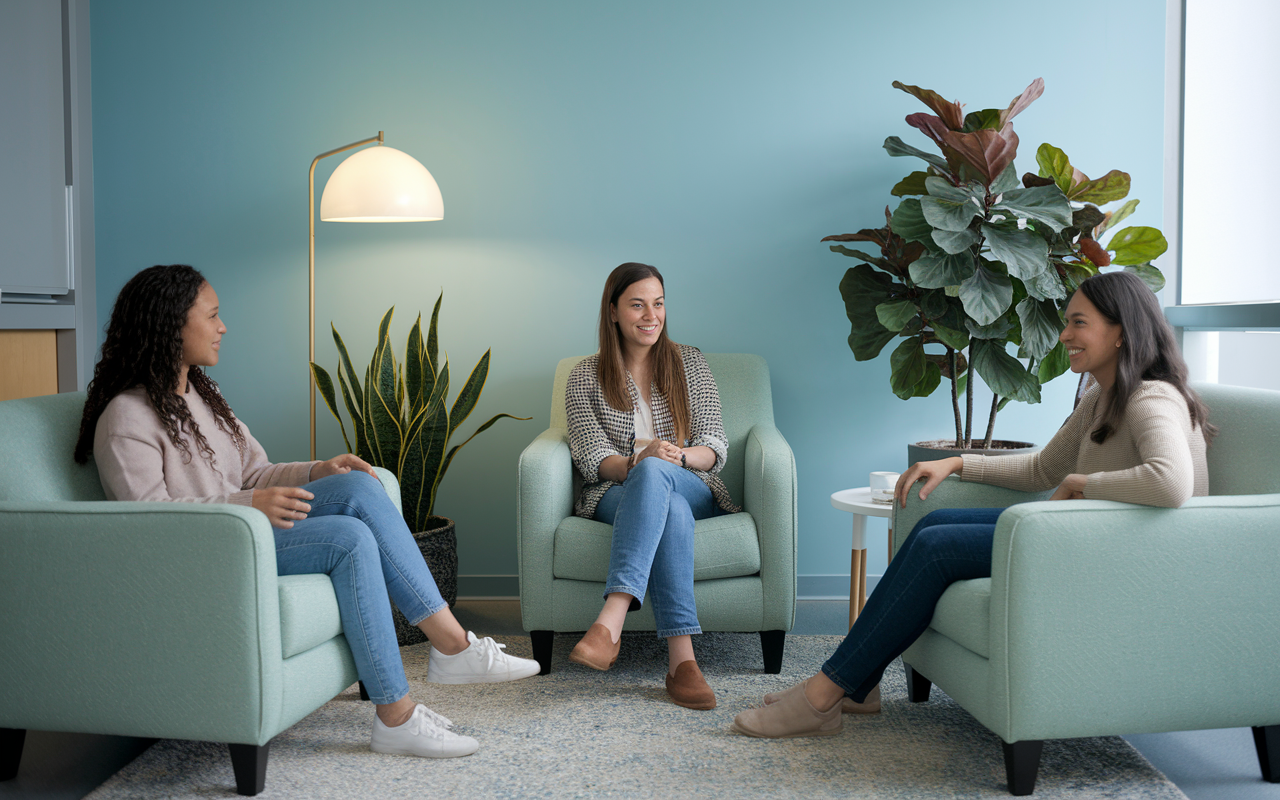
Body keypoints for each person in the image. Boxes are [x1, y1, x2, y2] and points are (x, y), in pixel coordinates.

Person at [74, 264, 541, 760]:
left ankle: (439, 663)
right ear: (168, 325)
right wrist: (247, 504)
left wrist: (318, 469)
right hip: (206, 550)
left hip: (245, 532)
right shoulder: (126, 416)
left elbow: (255, 472)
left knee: (358, 487)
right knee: (347, 538)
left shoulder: (200, 397)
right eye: (212, 316)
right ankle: (423, 686)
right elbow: (146, 519)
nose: (223, 327)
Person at [732, 270, 1214, 738]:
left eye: (1078, 322)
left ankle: (823, 697)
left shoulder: (1152, 398)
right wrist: (958, 462)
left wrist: (1083, 482)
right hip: (1085, 535)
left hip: (1120, 553)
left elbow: (1172, 484)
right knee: (933, 525)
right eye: (1067, 321)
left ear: (1122, 333)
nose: (1064, 333)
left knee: (938, 549)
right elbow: (1042, 470)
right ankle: (861, 686)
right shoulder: (1102, 395)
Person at [564, 262, 739, 710]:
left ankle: (612, 617)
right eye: (637, 305)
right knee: (667, 506)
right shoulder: (585, 376)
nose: (650, 315)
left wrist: (674, 457)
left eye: (658, 304)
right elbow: (590, 457)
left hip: (690, 481)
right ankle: (683, 662)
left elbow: (714, 444)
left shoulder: (689, 363)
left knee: (661, 475)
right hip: (617, 492)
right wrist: (638, 463)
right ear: (613, 313)